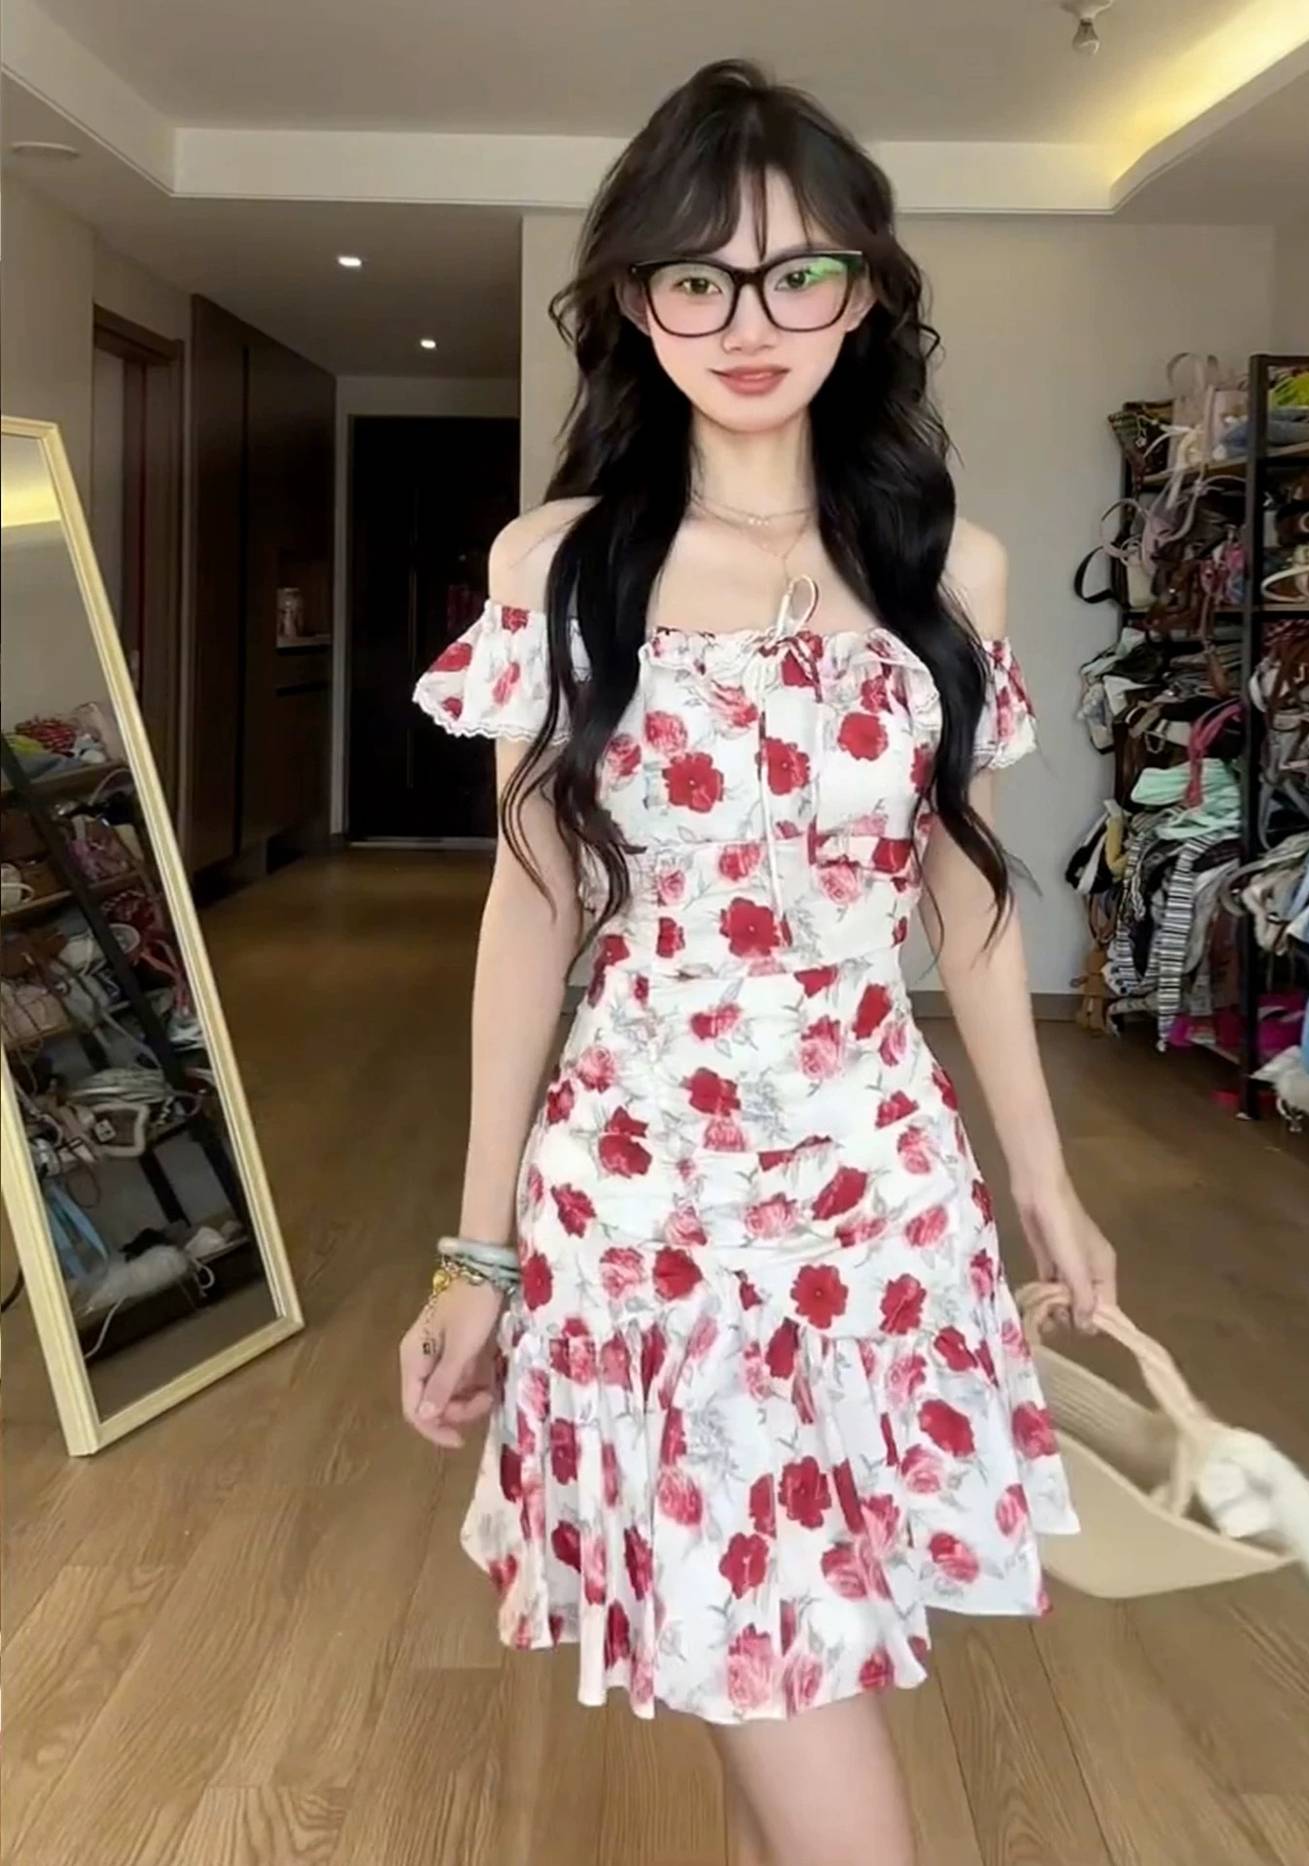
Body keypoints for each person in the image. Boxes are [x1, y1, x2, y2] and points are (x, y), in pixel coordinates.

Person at [400, 59, 1115, 1866]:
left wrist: (1044, 1180)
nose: (748, 323)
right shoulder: (559, 565)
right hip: (643, 1199)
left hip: (879, 1192)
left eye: (798, 274)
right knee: (764, 1648)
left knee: (788, 1632)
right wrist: (477, 1248)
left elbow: (965, 902)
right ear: (635, 302)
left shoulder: (952, 570)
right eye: (697, 278)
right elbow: (532, 904)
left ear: (864, 295)